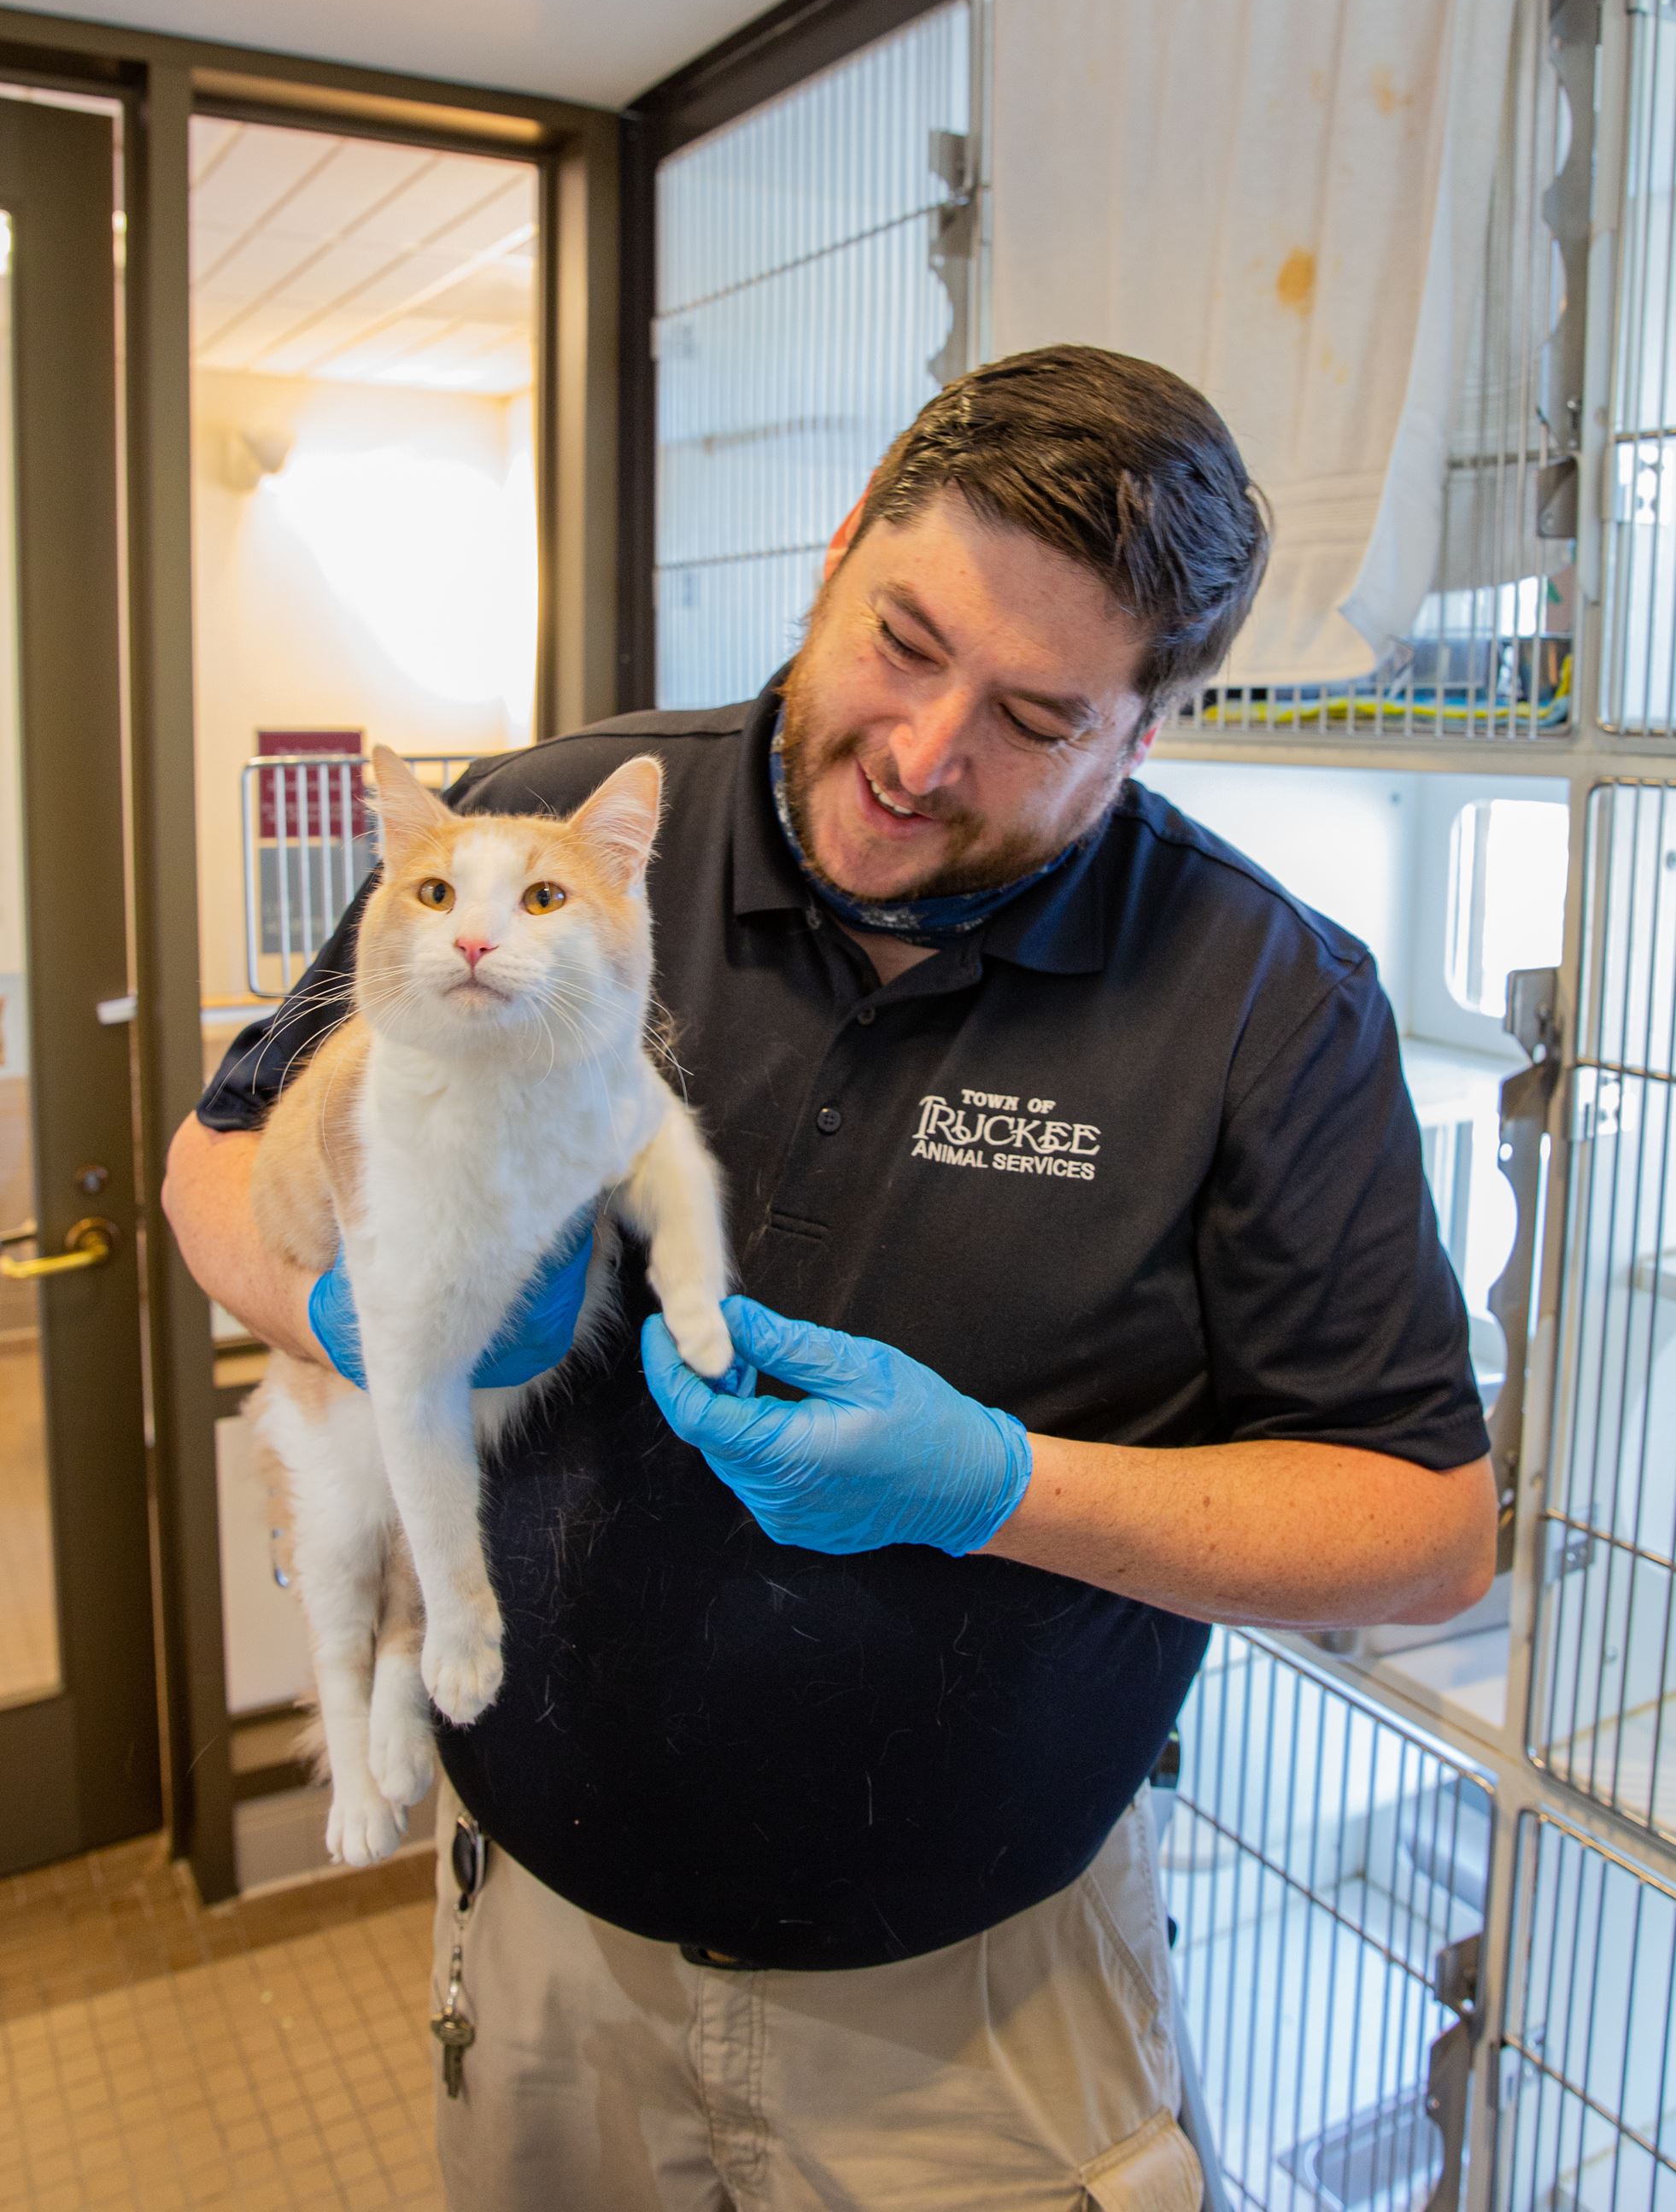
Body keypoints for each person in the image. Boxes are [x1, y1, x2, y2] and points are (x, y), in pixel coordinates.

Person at [164, 346, 1497, 2212]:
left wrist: (1005, 1489)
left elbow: (1423, 1535)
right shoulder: (556, 832)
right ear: (845, 540)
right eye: (903, 638)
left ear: (1149, 728)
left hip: (981, 2020)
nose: (922, 754)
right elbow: (214, 1159)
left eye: (1035, 718)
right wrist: (336, 1317)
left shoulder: (1261, 1002)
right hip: (550, 1942)